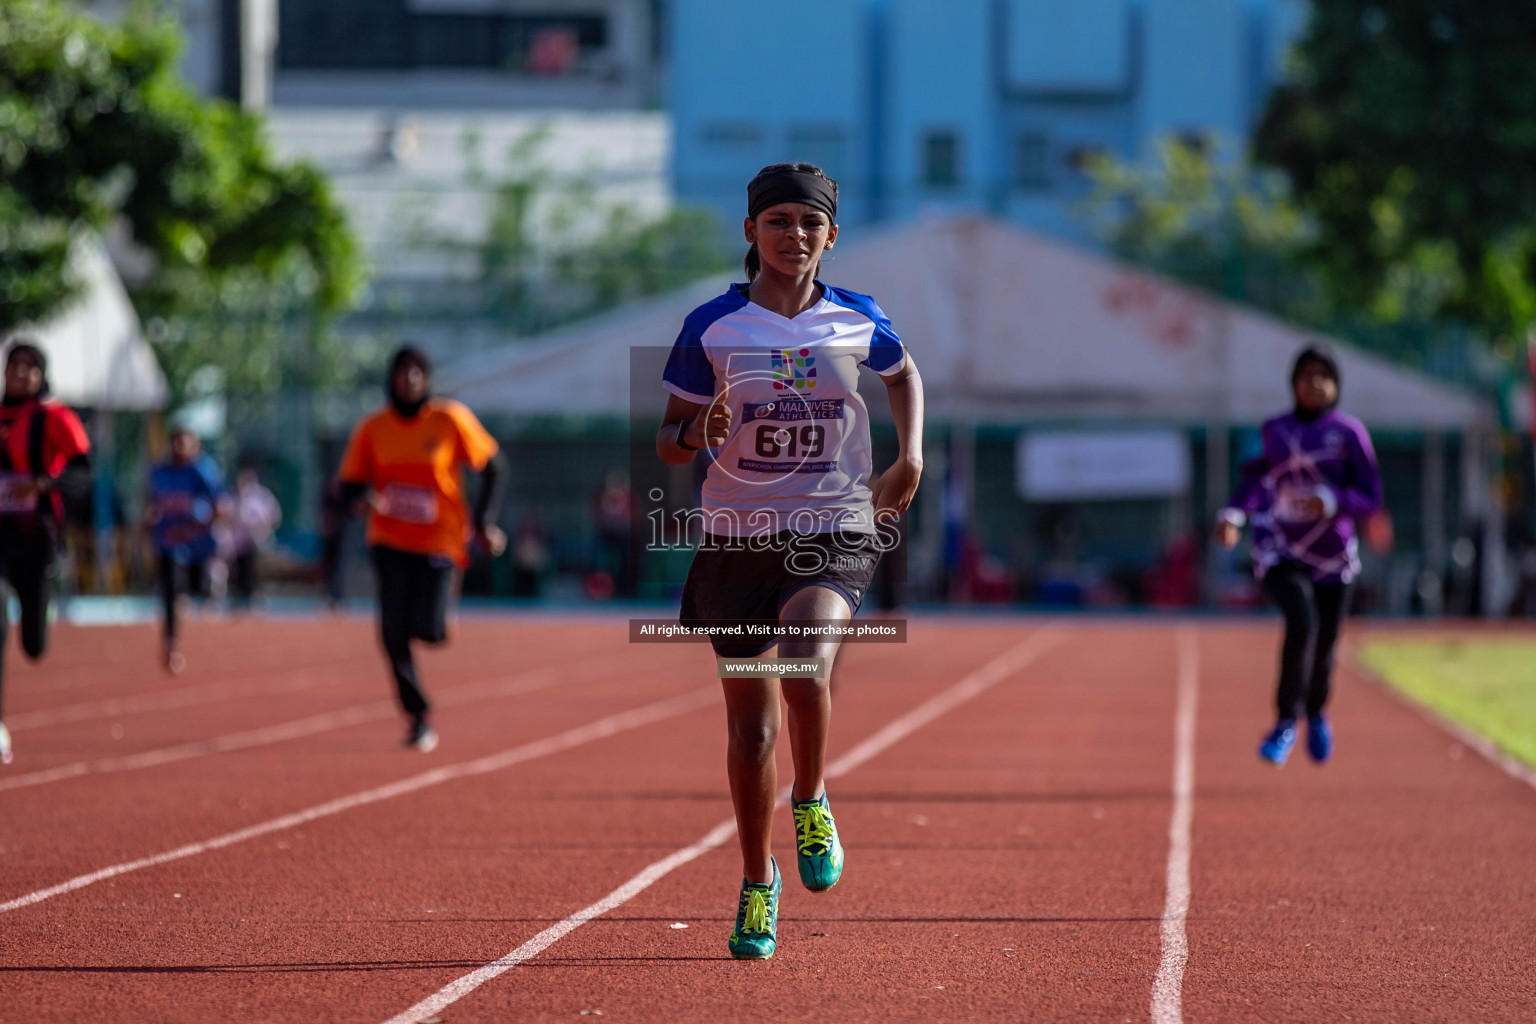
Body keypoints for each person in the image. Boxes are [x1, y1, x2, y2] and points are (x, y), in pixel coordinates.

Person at [657, 163, 924, 959]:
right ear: (750, 233)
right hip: (737, 543)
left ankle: (811, 800)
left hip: (832, 531)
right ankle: (755, 883)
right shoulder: (712, 325)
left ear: (830, 235)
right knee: (751, 731)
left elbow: (903, 373)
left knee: (809, 664)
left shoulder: (858, 318)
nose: (794, 236)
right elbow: (667, 437)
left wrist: (908, 456)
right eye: (777, 222)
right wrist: (696, 433)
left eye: (809, 224)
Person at [1216, 345, 1383, 767]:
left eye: (1323, 376)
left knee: (1326, 643)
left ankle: (1317, 712)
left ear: (1336, 385)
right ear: (1293, 383)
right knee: (1301, 621)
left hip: (1334, 557)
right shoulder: (1275, 430)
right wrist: (1235, 513)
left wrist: (1331, 499)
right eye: (1306, 375)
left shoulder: (1350, 433)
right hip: (1280, 549)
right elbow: (1254, 477)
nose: (1314, 383)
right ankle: (1284, 721)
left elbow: (1371, 497)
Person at [337, 345, 508, 752]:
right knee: (391, 631)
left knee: (428, 630)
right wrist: (359, 501)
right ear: (391, 378)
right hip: (390, 539)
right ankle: (417, 714)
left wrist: (484, 522)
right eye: (402, 371)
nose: (410, 379)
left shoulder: (450, 419)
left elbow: (495, 467)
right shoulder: (372, 428)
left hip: (440, 540)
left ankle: (440, 613)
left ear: (426, 379)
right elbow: (349, 485)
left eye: (418, 372)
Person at [0, 340, 92, 765]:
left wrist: (40, 485)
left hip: (35, 535)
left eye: (29, 367)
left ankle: (42, 607)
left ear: (41, 375)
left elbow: (81, 473)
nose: (20, 374)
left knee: (33, 645)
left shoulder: (53, 417)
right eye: (13, 366)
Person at [147, 426, 224, 674]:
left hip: (198, 544)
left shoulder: (204, 471)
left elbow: (220, 506)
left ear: (195, 445)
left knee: (196, 591)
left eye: (185, 442)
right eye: (176, 441)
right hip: (169, 541)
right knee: (170, 591)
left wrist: (197, 524)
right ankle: (170, 643)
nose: (180, 447)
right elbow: (151, 502)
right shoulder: (160, 471)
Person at [223, 467, 282, 610]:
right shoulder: (233, 496)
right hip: (237, 542)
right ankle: (239, 597)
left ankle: (254, 597)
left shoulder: (261, 496)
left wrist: (261, 528)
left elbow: (273, 516)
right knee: (238, 570)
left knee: (253, 569)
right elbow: (226, 516)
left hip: (256, 540)